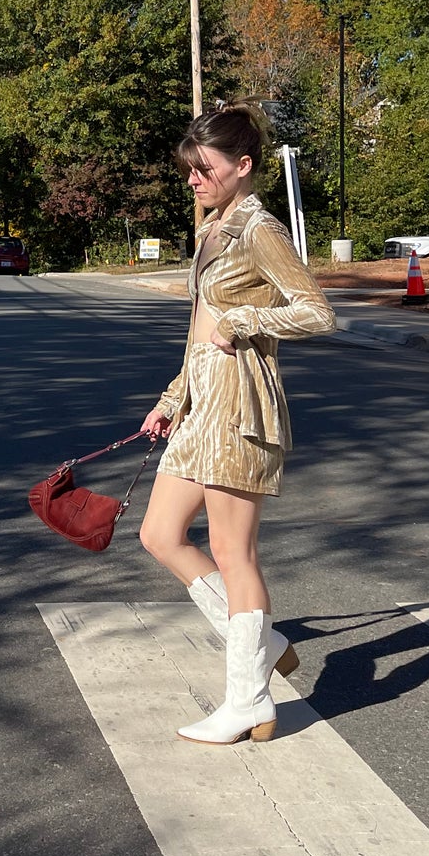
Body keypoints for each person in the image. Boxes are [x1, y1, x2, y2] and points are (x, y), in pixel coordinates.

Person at [138, 105, 336, 744]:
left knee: (232, 550)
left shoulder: (260, 230)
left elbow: (316, 313)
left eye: (205, 169)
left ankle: (248, 698)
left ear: (242, 167)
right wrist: (172, 398)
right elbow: (198, 331)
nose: (193, 180)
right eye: (189, 170)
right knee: (160, 534)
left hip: (242, 407)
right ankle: (265, 638)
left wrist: (245, 323)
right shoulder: (211, 229)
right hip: (200, 404)